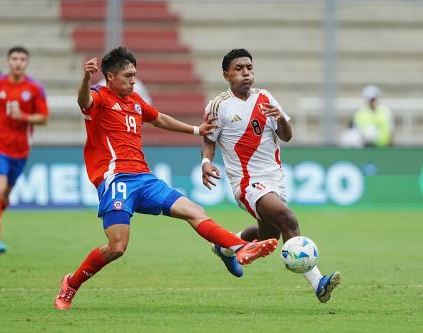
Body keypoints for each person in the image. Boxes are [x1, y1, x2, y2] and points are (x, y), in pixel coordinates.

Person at [54, 46, 279, 310]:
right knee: (116, 247)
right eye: (128, 75)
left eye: (134, 74)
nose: (133, 80)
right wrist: (84, 80)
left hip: (144, 178)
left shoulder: (135, 101)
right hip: (116, 180)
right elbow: (83, 102)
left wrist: (196, 130)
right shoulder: (99, 96)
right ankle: (71, 283)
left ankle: (240, 247)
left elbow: (159, 118)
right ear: (111, 77)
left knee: (193, 210)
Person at [201, 48, 341, 303]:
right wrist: (206, 162)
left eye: (249, 68)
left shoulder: (265, 98)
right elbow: (208, 139)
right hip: (246, 181)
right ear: (226, 74)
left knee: (270, 237)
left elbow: (286, 136)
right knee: (287, 218)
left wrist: (280, 119)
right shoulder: (218, 105)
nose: (246, 73)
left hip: (275, 178)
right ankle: (318, 283)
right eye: (239, 69)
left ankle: (225, 247)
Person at [0, 46, 49, 255]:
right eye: (14, 59)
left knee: (4, 197)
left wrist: (24, 117)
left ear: (27, 63)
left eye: (22, 59)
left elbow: (44, 117)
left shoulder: (34, 88)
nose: (18, 62)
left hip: (20, 150)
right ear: (8, 61)